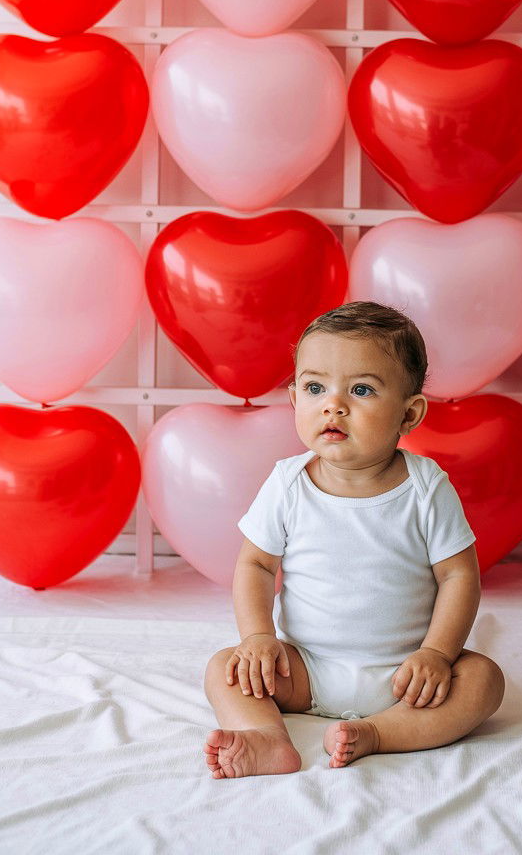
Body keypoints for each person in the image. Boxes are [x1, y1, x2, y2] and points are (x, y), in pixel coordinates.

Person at [203, 300, 505, 777]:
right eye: (315, 387)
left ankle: (382, 732)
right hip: (306, 670)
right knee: (226, 667)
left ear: (409, 414)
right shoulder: (288, 482)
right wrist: (259, 637)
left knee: (484, 681)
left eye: (361, 389)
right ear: (294, 400)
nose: (333, 404)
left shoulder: (425, 486)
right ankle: (268, 739)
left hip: (407, 676)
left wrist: (437, 654)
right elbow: (256, 566)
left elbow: (458, 576)